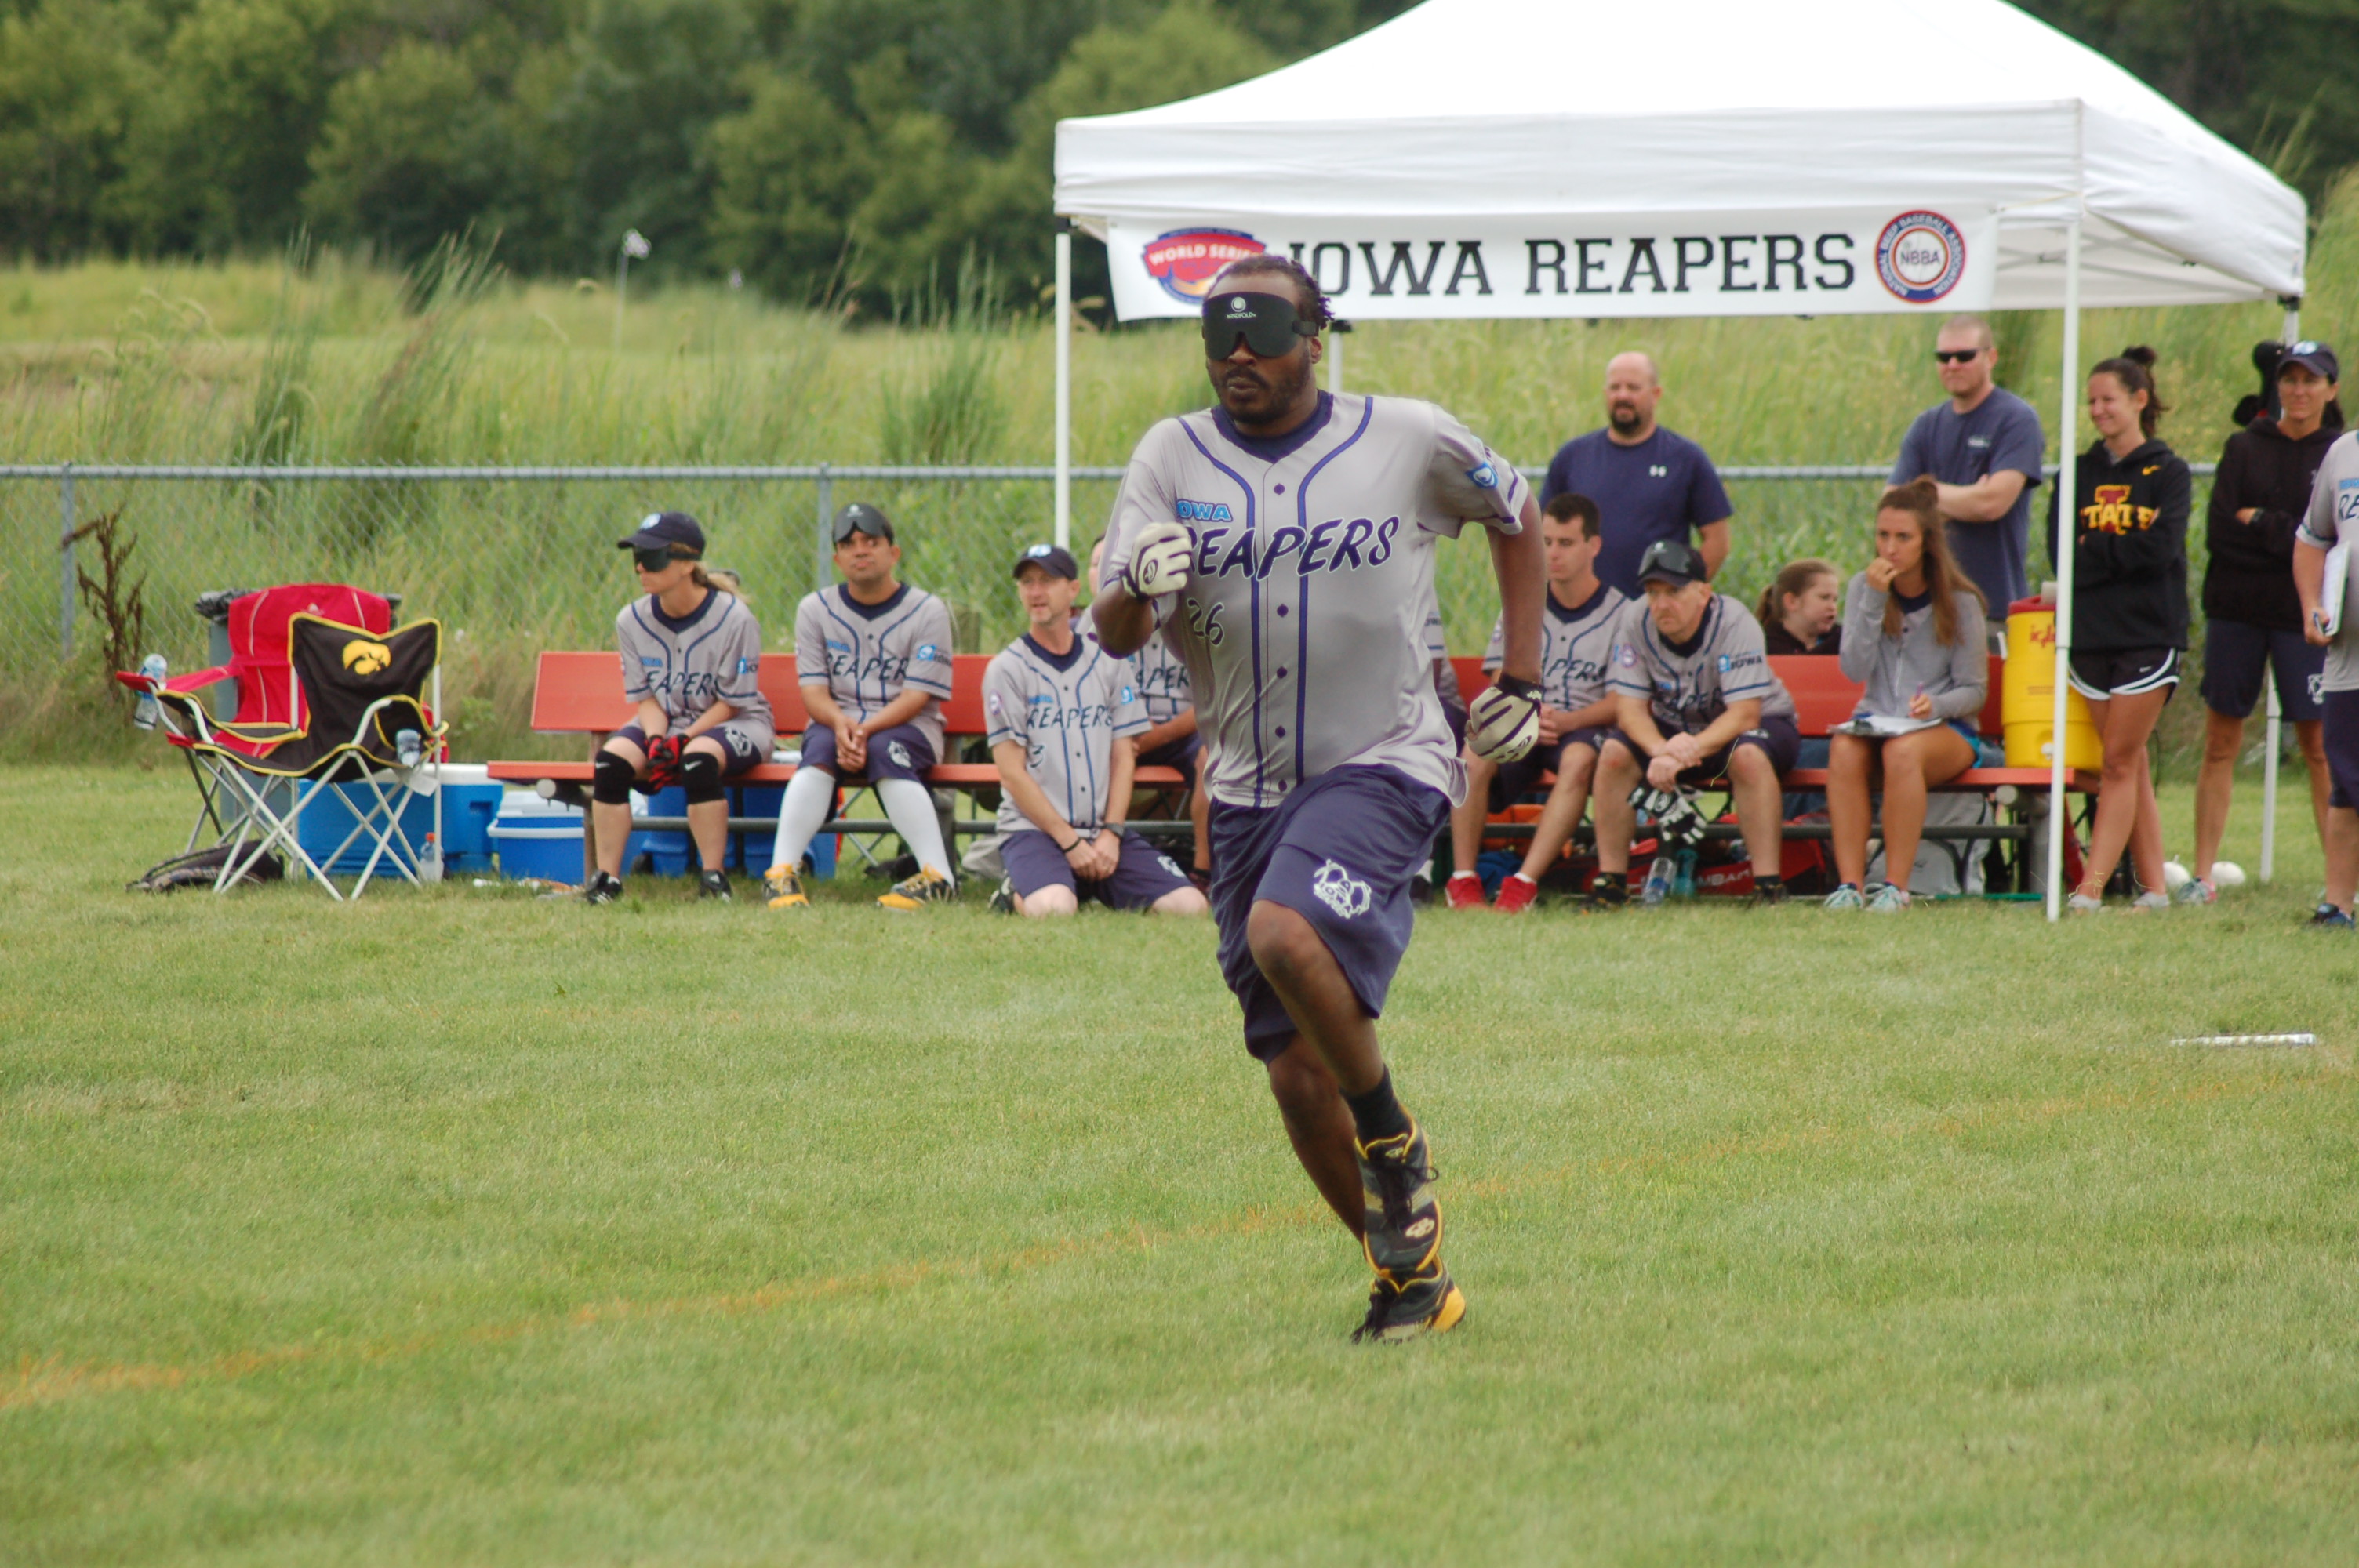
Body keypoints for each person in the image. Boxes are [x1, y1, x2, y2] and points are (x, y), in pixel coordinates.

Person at [1092, 253, 1545, 1342]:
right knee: (1296, 1081)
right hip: (1245, 788)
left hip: (1387, 755)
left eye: (1260, 332)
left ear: (1316, 338)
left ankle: (1393, 1139)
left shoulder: (1403, 436)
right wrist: (1132, 590)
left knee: (1289, 933)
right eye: (1218, 334)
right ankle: (1410, 1279)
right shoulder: (1171, 453)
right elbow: (1112, 631)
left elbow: (1517, 514)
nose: (1236, 355)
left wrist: (1520, 676)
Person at [2190, 342, 2342, 902]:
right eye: (2290, 379)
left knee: (2320, 745)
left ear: (2332, 389)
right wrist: (2298, 537)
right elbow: (2221, 536)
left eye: (2311, 380)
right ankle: (2202, 876)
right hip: (2236, 611)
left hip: (2309, 617)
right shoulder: (2242, 447)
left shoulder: (2340, 454)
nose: (2299, 391)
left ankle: (2339, 882)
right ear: (2276, 386)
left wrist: (2269, 526)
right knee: (2220, 742)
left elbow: (2332, 544)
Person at [983, 544, 1208, 919]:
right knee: (1054, 910)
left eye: (1047, 581)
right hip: (1035, 832)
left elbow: (1124, 755)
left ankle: (1085, 881)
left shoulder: (1107, 660)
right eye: (1027, 582)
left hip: (1100, 832)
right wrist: (1070, 843)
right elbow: (1011, 773)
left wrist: (1112, 833)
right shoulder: (1006, 669)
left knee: (1189, 907)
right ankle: (1015, 891)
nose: (1036, 592)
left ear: (1073, 590)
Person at [2046, 347, 2192, 913]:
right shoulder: (2077, 472)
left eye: (2108, 400)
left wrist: (2099, 547)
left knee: (2117, 763)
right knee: (2129, 762)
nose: (2098, 410)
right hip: (2091, 633)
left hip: (2148, 634)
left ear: (2138, 400)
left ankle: (2090, 887)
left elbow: (2161, 549)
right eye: (2091, 402)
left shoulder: (2169, 471)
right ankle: (2155, 889)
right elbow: (2064, 555)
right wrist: (2115, 552)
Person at [764, 502, 960, 912]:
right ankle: (781, 873)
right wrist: (841, 724)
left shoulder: (927, 610)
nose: (860, 550)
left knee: (883, 748)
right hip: (837, 724)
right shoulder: (815, 609)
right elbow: (814, 693)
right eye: (849, 544)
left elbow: (917, 698)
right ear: (837, 558)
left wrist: (864, 731)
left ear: (894, 553)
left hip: (909, 726)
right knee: (816, 750)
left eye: (872, 541)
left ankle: (938, 875)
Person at [1444, 492, 1627, 913]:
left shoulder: (1624, 614)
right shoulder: (1524, 599)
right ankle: (1463, 880)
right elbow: (1498, 678)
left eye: (1565, 543)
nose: (1553, 553)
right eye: (1545, 542)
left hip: (1583, 727)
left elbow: (1623, 701)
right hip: (1526, 717)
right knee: (1473, 750)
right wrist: (1525, 712)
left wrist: (1566, 722)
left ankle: (1523, 884)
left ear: (1593, 546)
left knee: (1580, 759)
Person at [1590, 538, 1799, 906]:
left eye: (1674, 591)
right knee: (1613, 754)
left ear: (1704, 592)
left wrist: (1682, 753)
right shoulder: (1635, 619)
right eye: (1653, 592)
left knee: (1748, 758)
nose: (1661, 603)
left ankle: (1768, 887)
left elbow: (1745, 713)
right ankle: (1611, 885)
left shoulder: (1735, 622)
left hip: (1755, 722)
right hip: (1676, 732)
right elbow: (1630, 709)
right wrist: (1659, 750)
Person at [585, 511, 774, 905]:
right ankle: (608, 879)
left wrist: (683, 739)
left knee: (697, 759)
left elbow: (731, 702)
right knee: (610, 763)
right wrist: (657, 740)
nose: (640, 566)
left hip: (738, 720)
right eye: (637, 555)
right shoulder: (632, 620)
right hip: (667, 722)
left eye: (653, 557)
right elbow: (648, 700)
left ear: (688, 564)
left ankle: (713, 877)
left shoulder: (734, 618)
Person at [1821, 480, 1989, 912]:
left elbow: (1974, 691)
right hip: (1879, 721)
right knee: (1843, 749)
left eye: (1903, 537)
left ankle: (1896, 886)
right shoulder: (1864, 588)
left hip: (1944, 730)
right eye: (1882, 536)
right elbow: (1853, 669)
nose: (1890, 548)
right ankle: (1850, 886)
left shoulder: (1961, 601)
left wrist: (1937, 705)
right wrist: (1875, 602)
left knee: (1902, 753)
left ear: (1927, 543)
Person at [1890, 314, 2047, 620]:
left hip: (1991, 605)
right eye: (1943, 357)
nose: (1952, 365)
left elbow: (1992, 503)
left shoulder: (2016, 419)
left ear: (1991, 357)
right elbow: (1893, 504)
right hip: (1927, 608)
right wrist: (1966, 496)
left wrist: (1923, 496)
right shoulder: (1926, 425)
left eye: (1964, 356)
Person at [1540, 351, 1734, 595]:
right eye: (1615, 387)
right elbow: (1540, 535)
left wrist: (1680, 593)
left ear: (1656, 394)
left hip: (1654, 616)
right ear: (1605, 394)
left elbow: (1718, 540)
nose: (1623, 396)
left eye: (1633, 388)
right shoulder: (1572, 457)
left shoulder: (1685, 458)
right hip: (1585, 614)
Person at [1089, 534, 1210, 885]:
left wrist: (1156, 735)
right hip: (1115, 733)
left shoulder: (1193, 624)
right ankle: (1078, 853)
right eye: (1097, 565)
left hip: (1178, 731)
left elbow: (1209, 701)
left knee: (1211, 758)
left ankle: (1204, 873)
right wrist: (1128, 733)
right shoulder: (1082, 632)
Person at [2293, 423, 2359, 928]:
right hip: (2349, 658)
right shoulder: (2343, 453)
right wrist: (2313, 605)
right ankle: (2337, 906)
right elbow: (2312, 539)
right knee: (2346, 781)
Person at [1757, 559, 1842, 655]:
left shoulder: (1837, 637)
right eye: (1824, 598)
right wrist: (1838, 642)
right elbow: (1799, 666)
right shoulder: (1765, 646)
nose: (1832, 607)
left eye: (1835, 600)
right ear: (1792, 602)